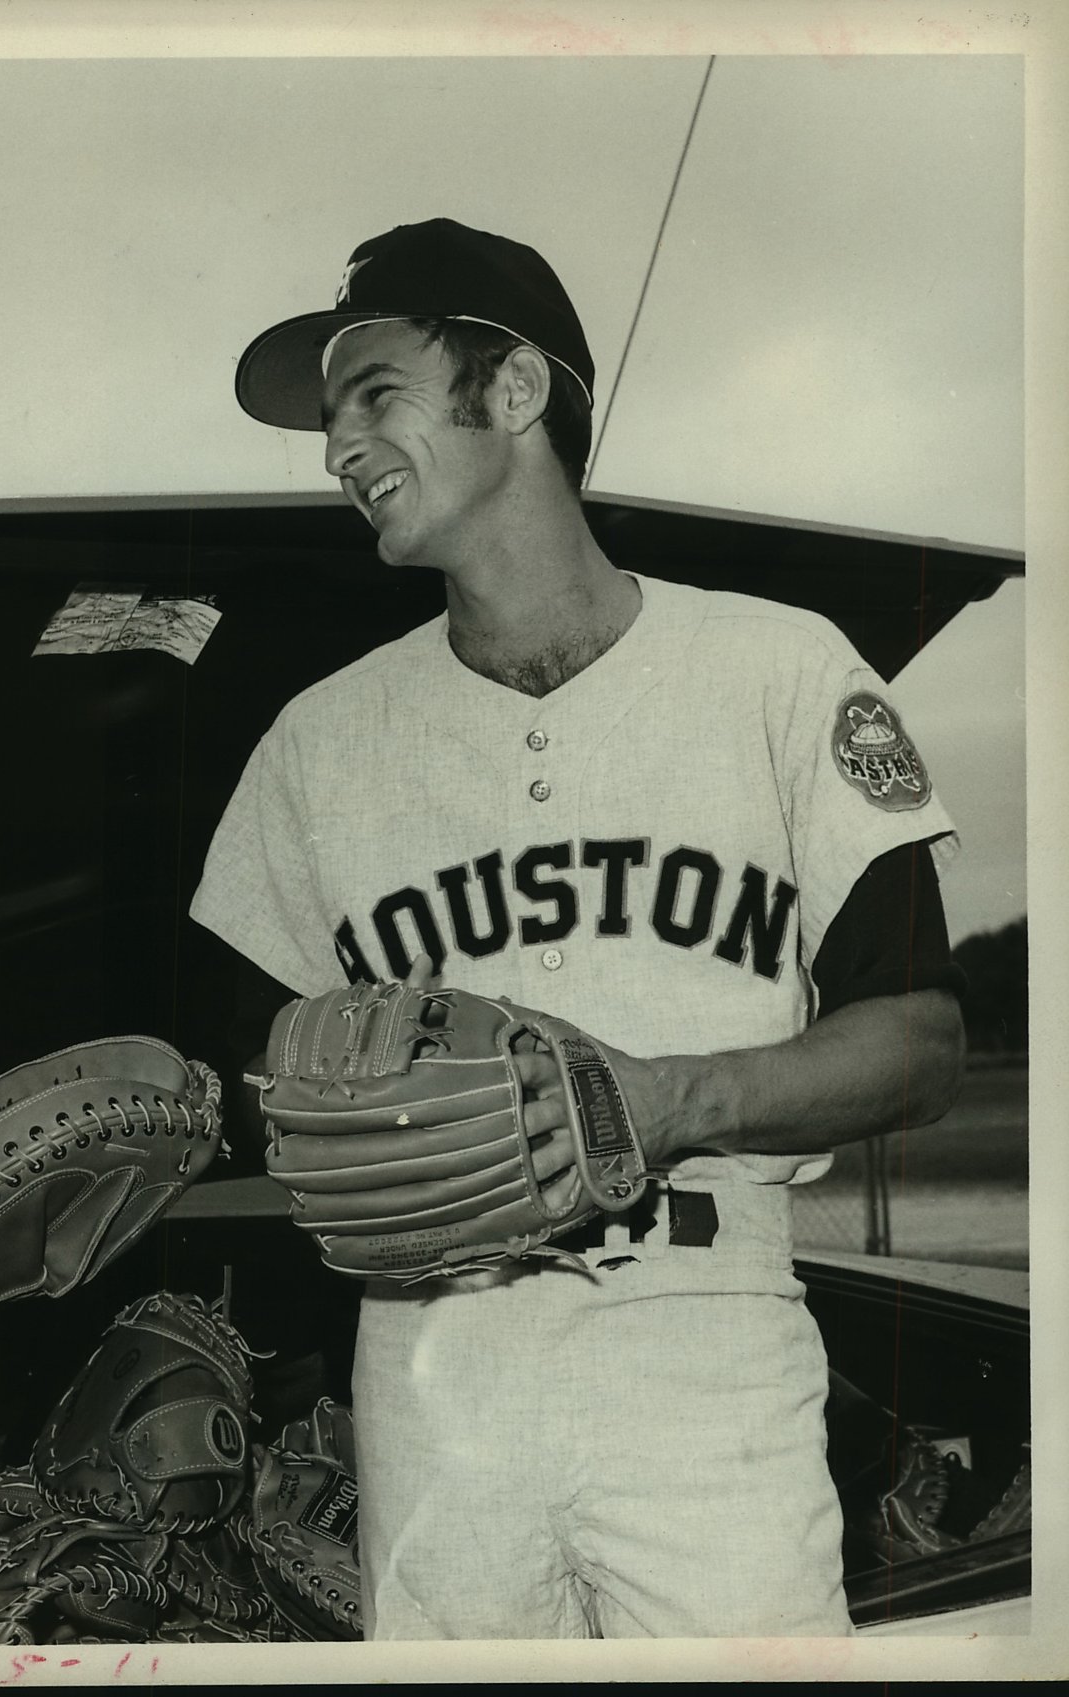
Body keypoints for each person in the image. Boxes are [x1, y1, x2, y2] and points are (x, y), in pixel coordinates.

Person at [190, 218, 966, 1639]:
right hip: (431, 1359)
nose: (335, 447)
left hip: (705, 1325)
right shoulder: (318, 741)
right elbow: (265, 1080)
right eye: (328, 415)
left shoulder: (781, 671)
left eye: (375, 391)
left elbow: (920, 1035)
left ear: (518, 391)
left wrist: (670, 1098)